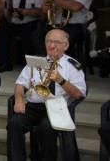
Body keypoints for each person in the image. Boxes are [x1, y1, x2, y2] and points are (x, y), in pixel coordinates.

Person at [7, 29, 87, 161]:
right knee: (14, 123)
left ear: (66, 46)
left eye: (57, 42)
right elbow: (20, 84)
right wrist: (19, 99)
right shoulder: (36, 62)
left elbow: (78, 94)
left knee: (46, 128)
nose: (52, 46)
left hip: (57, 109)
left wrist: (61, 80)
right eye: (48, 41)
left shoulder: (72, 66)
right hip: (34, 106)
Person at [0, 0, 44, 73]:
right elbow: (0, 15)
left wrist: (23, 11)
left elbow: (40, 12)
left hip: (30, 23)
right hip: (14, 23)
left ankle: (31, 66)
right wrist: (1, 10)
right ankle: (4, 64)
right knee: (0, 30)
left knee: (28, 32)